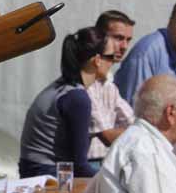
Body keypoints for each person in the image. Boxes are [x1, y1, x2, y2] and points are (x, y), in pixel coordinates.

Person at [18, 27, 110, 178]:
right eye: (110, 57)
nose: (113, 62)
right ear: (97, 60)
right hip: (48, 174)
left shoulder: (61, 87)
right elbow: (80, 166)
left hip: (34, 170)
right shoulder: (77, 98)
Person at [88, 11, 136, 163]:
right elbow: (108, 136)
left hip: (104, 161)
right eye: (118, 38)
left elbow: (132, 121)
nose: (124, 46)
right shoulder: (85, 82)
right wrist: (147, 134)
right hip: (83, 165)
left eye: (128, 40)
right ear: (99, 38)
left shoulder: (108, 82)